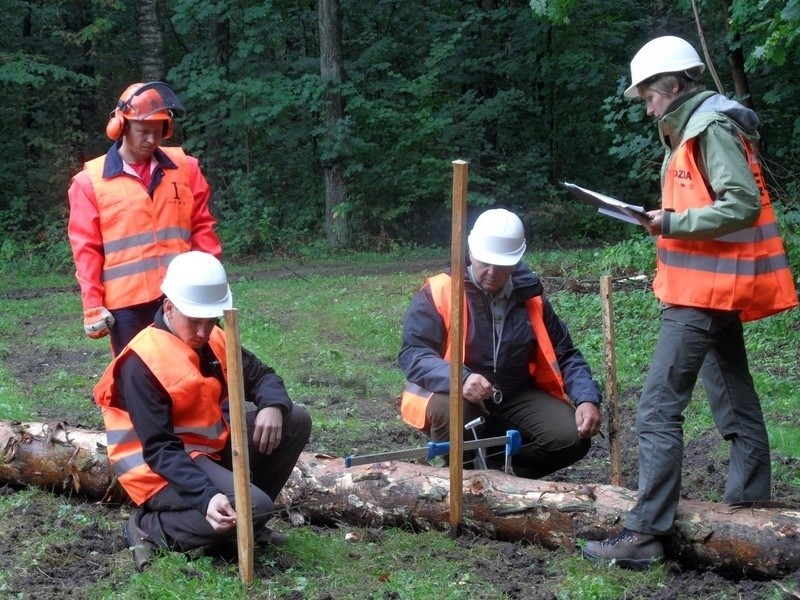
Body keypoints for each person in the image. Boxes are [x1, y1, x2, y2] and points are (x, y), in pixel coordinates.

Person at [582, 35, 798, 570]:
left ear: (674, 86)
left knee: (657, 409)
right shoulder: (700, 127)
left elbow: (741, 203)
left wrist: (672, 224)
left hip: (701, 296)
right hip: (712, 289)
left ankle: (645, 533)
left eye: (649, 95)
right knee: (734, 398)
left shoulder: (709, 128)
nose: (646, 105)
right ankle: (748, 508)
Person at [93, 251, 312, 572]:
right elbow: (160, 450)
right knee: (254, 507)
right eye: (194, 320)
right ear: (169, 307)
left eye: (210, 320)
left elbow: (262, 376)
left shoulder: (214, 337)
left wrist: (273, 406)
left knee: (296, 420)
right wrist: (207, 495)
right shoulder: (143, 361)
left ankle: (244, 523)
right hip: (157, 471)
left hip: (205, 452)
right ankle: (151, 529)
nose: (202, 331)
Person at [398, 208, 603, 479]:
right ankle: (461, 477)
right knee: (456, 410)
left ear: (516, 260)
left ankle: (499, 478)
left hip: (514, 394)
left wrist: (587, 398)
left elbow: (565, 353)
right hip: (452, 394)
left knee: (570, 438)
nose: (492, 272)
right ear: (471, 252)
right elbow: (413, 354)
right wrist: (460, 378)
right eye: (485, 262)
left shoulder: (531, 297)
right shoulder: (439, 291)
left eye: (502, 265)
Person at [68, 81, 222, 356]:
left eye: (157, 132)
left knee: (195, 370)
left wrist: (211, 285)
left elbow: (202, 228)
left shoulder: (186, 168)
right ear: (121, 127)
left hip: (182, 294)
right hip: (127, 304)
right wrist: (93, 305)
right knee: (136, 377)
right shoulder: (89, 182)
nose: (151, 140)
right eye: (143, 131)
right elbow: (87, 250)